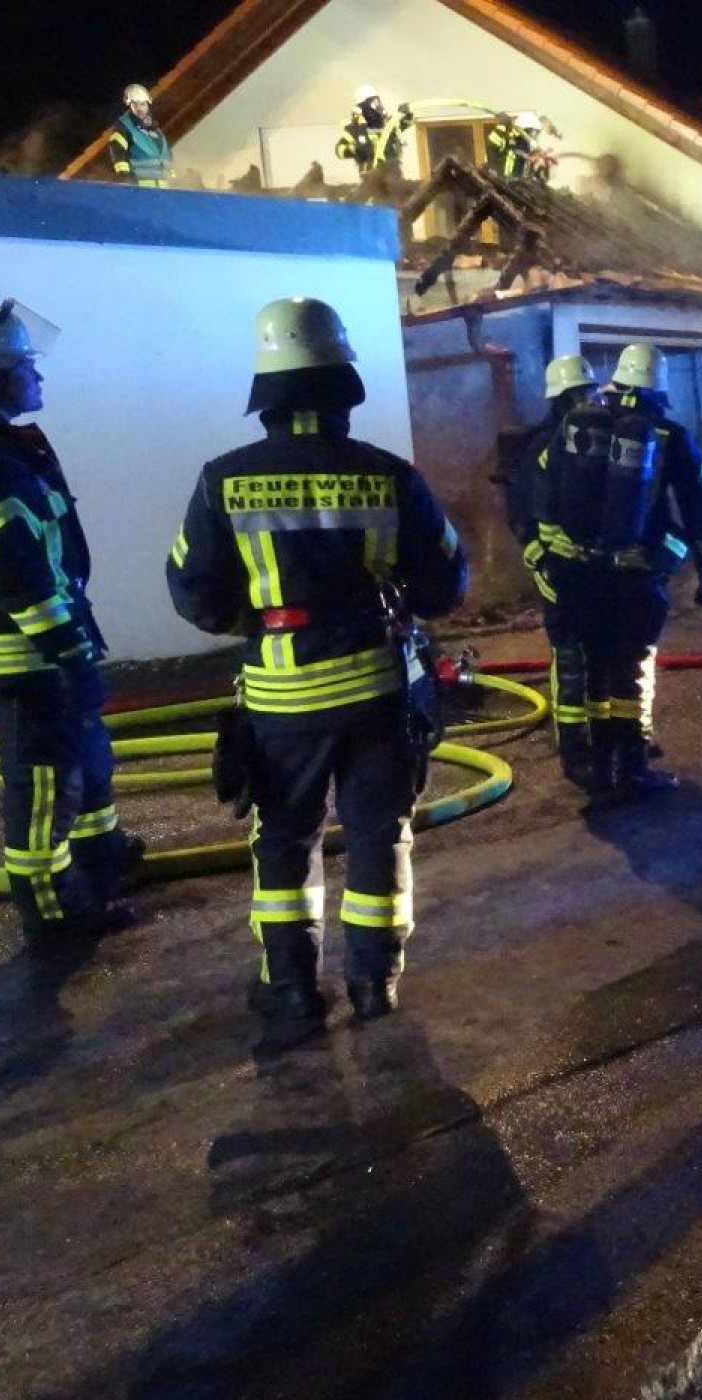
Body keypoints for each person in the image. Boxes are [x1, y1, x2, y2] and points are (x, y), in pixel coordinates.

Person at [167, 297, 468, 1054]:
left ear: (266, 392)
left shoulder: (221, 480)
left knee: (283, 841)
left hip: (280, 699)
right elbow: (446, 582)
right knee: (378, 835)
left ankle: (293, 990)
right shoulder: (391, 477)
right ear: (343, 387)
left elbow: (195, 593)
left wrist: (264, 622)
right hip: (375, 689)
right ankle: (374, 983)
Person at [0, 301, 136, 954]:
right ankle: (52, 911)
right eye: (26, 366)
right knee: (43, 784)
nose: (37, 375)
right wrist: (67, 646)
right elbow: (15, 575)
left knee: (83, 757)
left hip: (19, 647)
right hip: (23, 653)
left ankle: (99, 860)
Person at [533, 342, 702, 803]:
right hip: (637, 573)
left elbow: (542, 490)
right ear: (659, 391)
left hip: (582, 576)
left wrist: (553, 558)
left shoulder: (578, 428)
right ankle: (633, 767)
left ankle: (598, 766)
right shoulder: (670, 436)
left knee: (595, 666)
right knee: (631, 668)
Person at [517, 353, 598, 782]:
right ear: (562, 398)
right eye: (579, 393)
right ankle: (573, 748)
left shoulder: (595, 439)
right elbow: (522, 515)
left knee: (602, 654)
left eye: (590, 392)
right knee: (569, 658)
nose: (589, 400)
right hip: (558, 569)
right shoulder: (541, 447)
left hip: (596, 568)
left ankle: (609, 737)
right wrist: (542, 561)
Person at [335, 85, 414, 181]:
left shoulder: (388, 125)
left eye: (377, 102)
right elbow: (340, 151)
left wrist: (406, 113)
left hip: (394, 180)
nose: (376, 107)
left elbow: (405, 123)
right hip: (371, 181)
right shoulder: (355, 130)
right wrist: (356, 149)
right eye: (372, 103)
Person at [108, 84, 173, 188]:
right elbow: (118, 151)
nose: (139, 108)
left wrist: (173, 178)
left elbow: (166, 156)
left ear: (148, 104)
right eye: (135, 104)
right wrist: (126, 178)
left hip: (163, 189)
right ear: (129, 105)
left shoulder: (156, 131)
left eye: (142, 104)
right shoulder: (124, 127)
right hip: (140, 188)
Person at [485, 111, 556, 183]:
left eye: (536, 132)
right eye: (532, 131)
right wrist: (494, 169)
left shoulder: (531, 144)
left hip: (522, 182)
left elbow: (532, 161)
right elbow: (491, 149)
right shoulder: (504, 134)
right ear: (523, 129)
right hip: (503, 180)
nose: (533, 135)